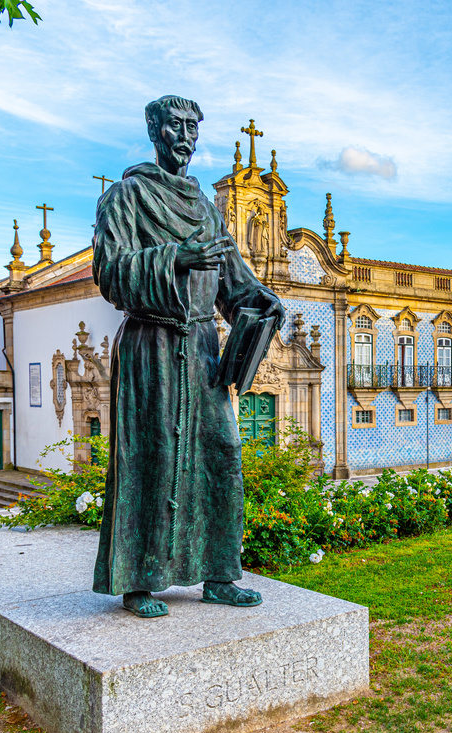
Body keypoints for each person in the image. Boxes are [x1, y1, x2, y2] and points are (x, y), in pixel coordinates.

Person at [92, 95, 284, 617]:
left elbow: (230, 277)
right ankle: (138, 582)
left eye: (193, 129)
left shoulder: (203, 207)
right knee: (149, 457)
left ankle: (220, 575)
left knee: (220, 454)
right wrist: (177, 257)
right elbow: (110, 273)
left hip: (201, 349)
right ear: (154, 130)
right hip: (150, 346)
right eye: (175, 126)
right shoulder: (125, 197)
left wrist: (260, 301)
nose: (185, 137)